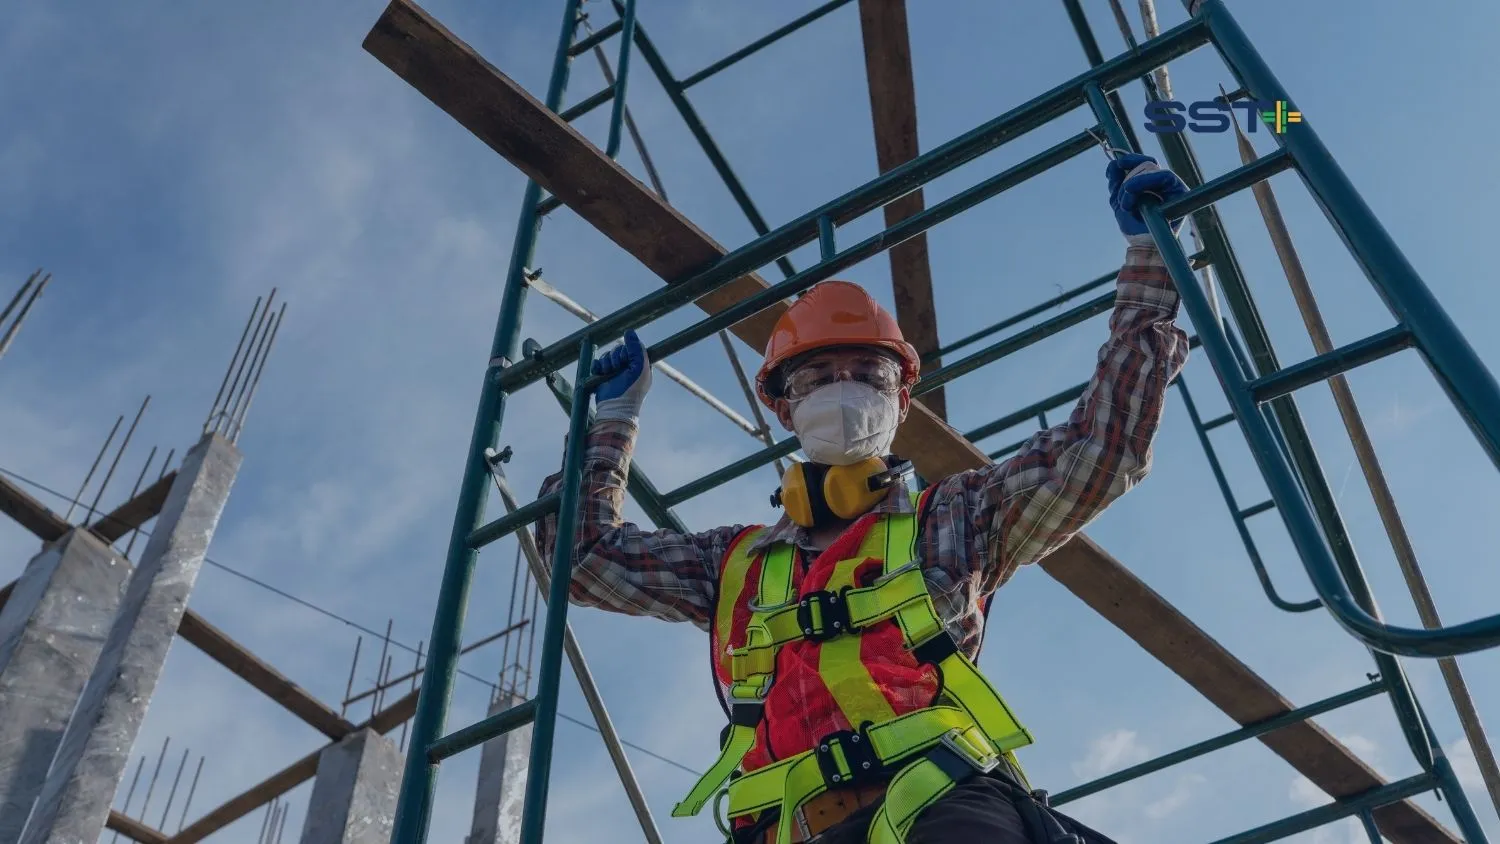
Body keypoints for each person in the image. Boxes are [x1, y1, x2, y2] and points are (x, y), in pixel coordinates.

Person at [533, 152, 1192, 844]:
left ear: (901, 402)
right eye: (817, 377)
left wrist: (1149, 267)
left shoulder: (957, 520)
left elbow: (1100, 450)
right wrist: (612, 425)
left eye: (867, 375)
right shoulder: (731, 565)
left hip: (942, 808)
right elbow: (583, 561)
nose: (843, 389)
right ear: (785, 408)